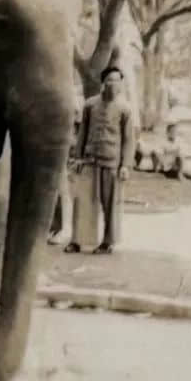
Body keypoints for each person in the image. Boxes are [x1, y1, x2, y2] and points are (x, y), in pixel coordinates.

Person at [66, 66, 135, 255]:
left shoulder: (125, 109)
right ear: (103, 83)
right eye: (110, 80)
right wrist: (77, 157)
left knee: (110, 204)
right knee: (83, 202)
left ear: (121, 85)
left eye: (117, 81)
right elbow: (82, 133)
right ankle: (77, 241)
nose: (114, 84)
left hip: (112, 162)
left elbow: (129, 139)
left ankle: (107, 242)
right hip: (89, 160)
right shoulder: (90, 105)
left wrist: (125, 165)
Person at [48, 91, 85, 245]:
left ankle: (68, 229)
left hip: (71, 162)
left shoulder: (78, 130)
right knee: (59, 194)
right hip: (62, 160)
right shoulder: (60, 126)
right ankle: (57, 227)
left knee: (67, 194)